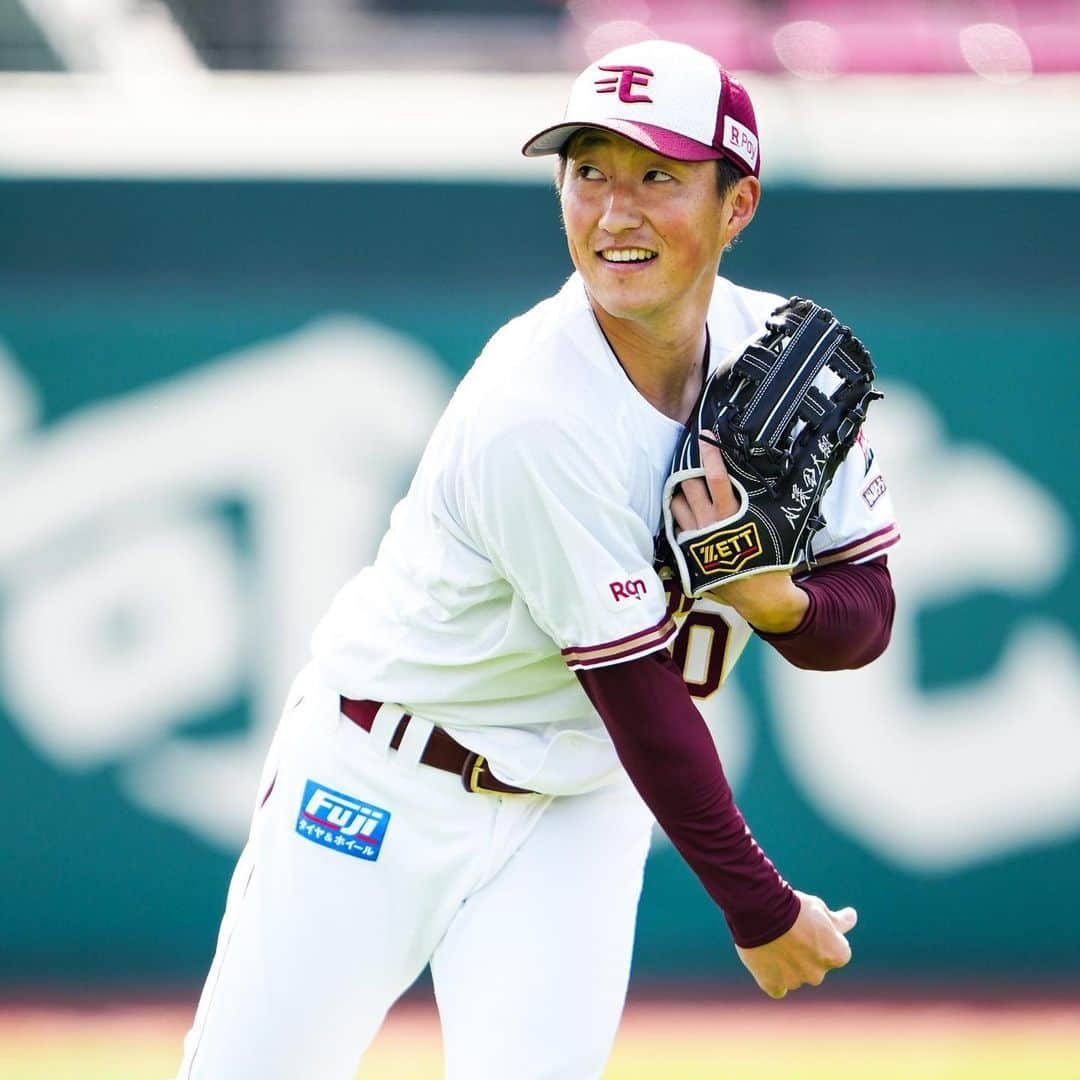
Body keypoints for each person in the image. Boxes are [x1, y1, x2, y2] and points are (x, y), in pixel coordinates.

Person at [176, 38, 899, 1080]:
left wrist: (772, 597)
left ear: (737, 204)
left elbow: (864, 613)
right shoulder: (534, 408)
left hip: (577, 801)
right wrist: (760, 908)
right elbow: (641, 697)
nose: (615, 211)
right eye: (588, 171)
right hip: (386, 775)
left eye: (658, 175)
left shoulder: (791, 365)